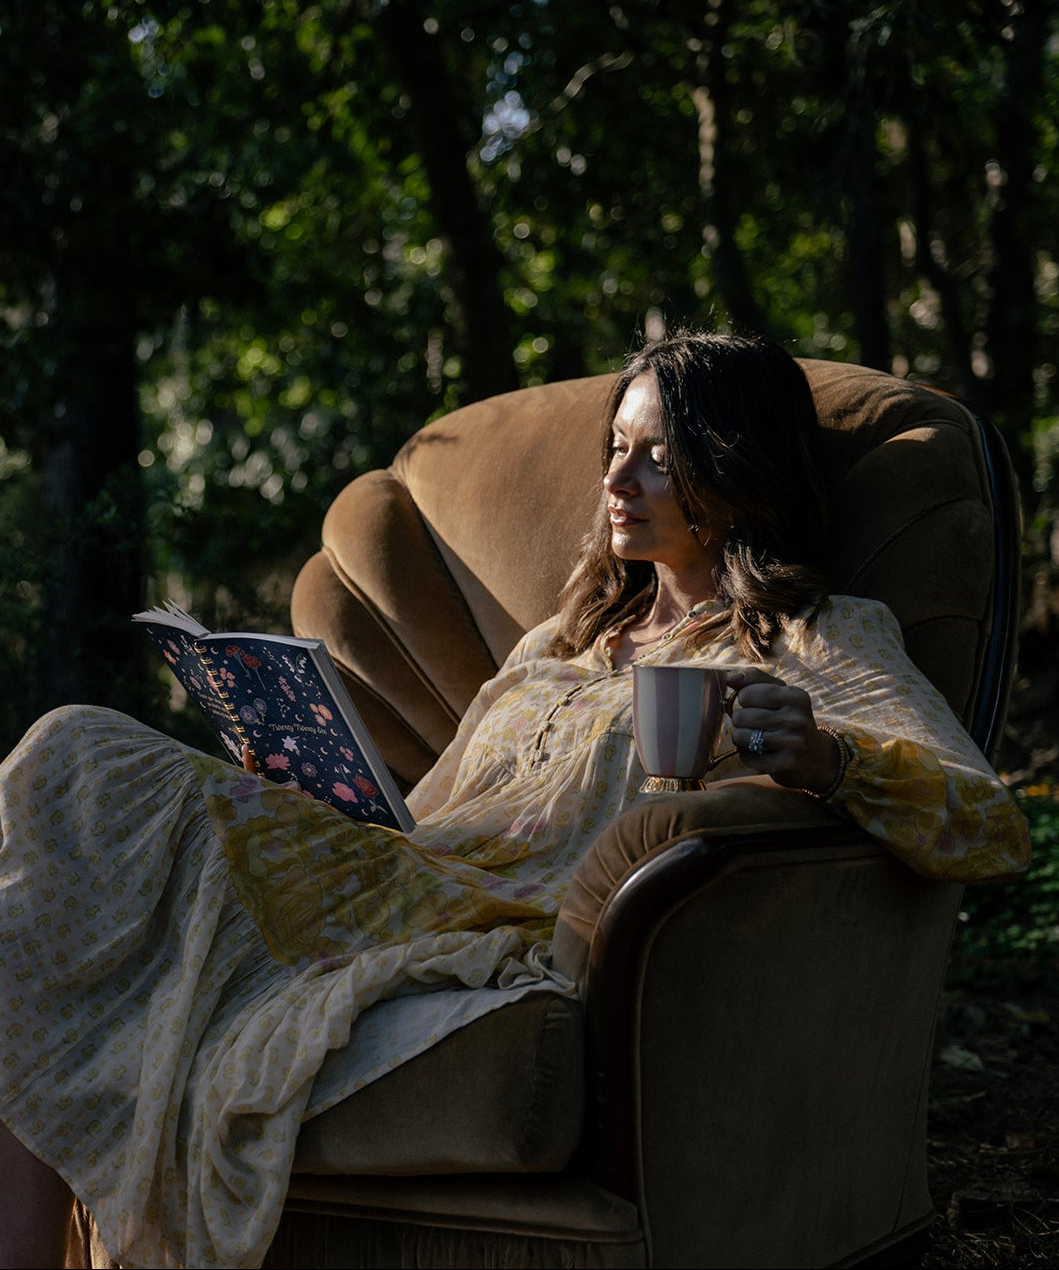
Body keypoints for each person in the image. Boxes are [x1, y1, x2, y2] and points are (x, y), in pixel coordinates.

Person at [0, 330, 1030, 1269]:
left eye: (659, 454)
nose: (619, 478)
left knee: (74, 749)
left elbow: (988, 825)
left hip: (507, 921)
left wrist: (825, 761)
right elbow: (427, 817)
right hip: (404, 877)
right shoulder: (556, 645)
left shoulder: (814, 638)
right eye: (615, 450)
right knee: (61, 810)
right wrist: (300, 780)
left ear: (740, 465)